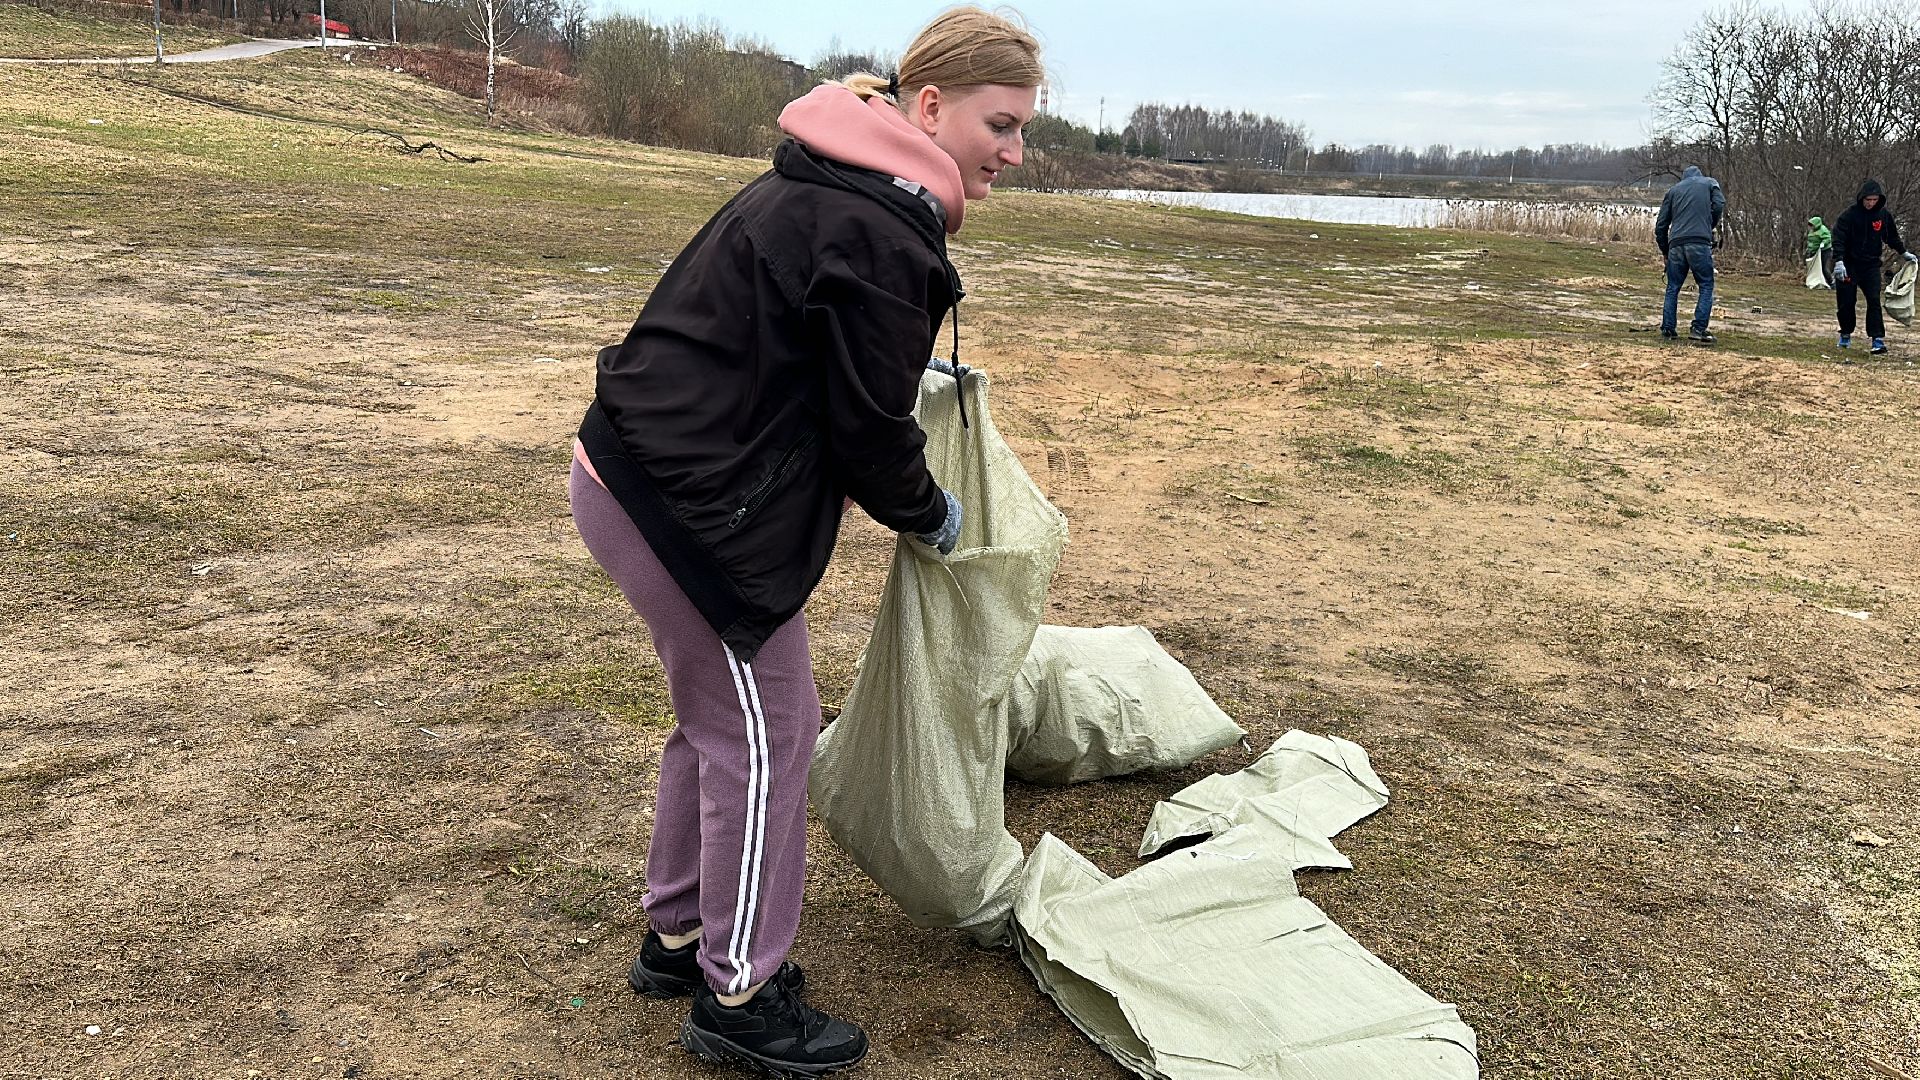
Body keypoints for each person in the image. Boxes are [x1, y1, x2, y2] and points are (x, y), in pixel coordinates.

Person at [567, 6, 1041, 1075]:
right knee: (771, 730)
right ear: (930, 107)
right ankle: (740, 995)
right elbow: (869, 438)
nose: (1015, 152)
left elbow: (817, 358)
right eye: (1001, 124)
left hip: (638, 474)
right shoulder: (876, 225)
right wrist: (932, 513)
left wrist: (898, 384)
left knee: (718, 716)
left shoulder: (843, 184)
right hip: (683, 506)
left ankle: (679, 935)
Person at [1830, 179, 1918, 354]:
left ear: (1879, 199)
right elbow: (1838, 238)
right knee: (1847, 301)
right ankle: (1846, 333)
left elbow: (1891, 236)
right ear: (1862, 198)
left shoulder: (1883, 215)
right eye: (1868, 200)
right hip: (1849, 265)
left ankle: (1877, 339)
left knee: (1874, 301)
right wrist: (1838, 261)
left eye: (1874, 200)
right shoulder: (1849, 215)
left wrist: (1903, 252)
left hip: (1870, 266)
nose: (1870, 203)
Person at [1654, 164, 1726, 344]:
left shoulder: (1673, 191)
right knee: (1706, 285)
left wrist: (1665, 251)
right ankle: (1698, 329)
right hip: (1700, 243)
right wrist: (1709, 224)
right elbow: (1719, 204)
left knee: (1673, 287)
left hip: (1676, 244)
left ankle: (1668, 328)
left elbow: (1660, 226)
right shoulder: (1710, 183)